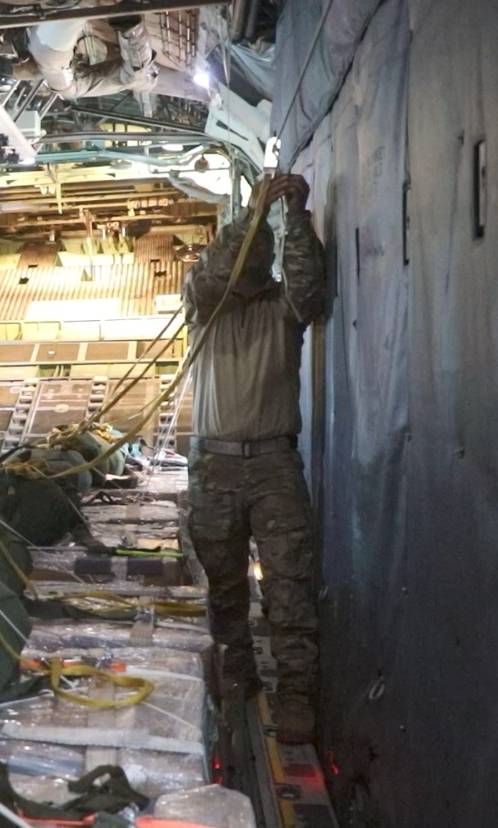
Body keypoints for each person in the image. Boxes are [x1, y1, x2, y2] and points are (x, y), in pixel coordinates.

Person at [183, 173, 326, 745]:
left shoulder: (282, 306)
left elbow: (308, 286)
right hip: (214, 464)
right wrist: (252, 212)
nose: (240, 270)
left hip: (272, 465)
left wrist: (295, 215)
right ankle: (236, 674)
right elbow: (216, 272)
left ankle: (295, 694)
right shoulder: (204, 302)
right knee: (223, 585)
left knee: (289, 583)